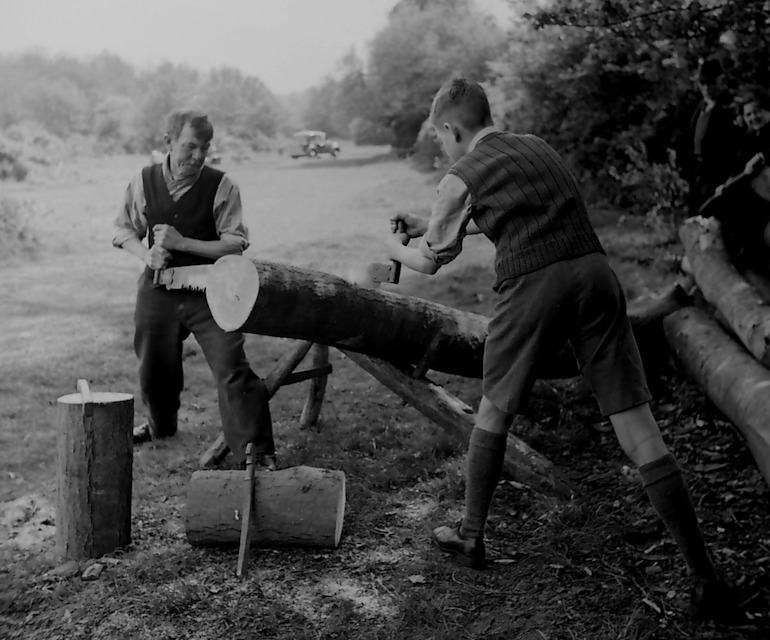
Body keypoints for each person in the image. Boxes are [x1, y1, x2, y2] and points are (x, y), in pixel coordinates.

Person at [386, 79, 742, 622]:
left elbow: (434, 261)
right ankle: (704, 578)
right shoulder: (537, 147)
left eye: (442, 139)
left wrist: (392, 246)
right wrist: (424, 220)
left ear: (452, 130)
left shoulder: (459, 175)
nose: (444, 150)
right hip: (595, 274)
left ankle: (471, 534)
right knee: (638, 425)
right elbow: (518, 211)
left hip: (533, 284)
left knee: (494, 409)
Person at [112, 109, 276, 469]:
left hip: (212, 292)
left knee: (232, 367)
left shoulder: (222, 186)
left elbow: (235, 244)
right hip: (158, 291)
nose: (199, 156)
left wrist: (183, 242)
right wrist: (147, 254)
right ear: (168, 142)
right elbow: (123, 230)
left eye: (205, 147)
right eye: (190, 146)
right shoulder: (143, 181)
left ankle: (255, 452)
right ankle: (161, 428)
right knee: (155, 371)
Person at [684, 57, 742, 215]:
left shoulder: (730, 107)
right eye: (701, 83)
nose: (705, 88)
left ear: (721, 81)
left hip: (719, 174)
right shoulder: (701, 106)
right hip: (698, 175)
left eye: (710, 83)